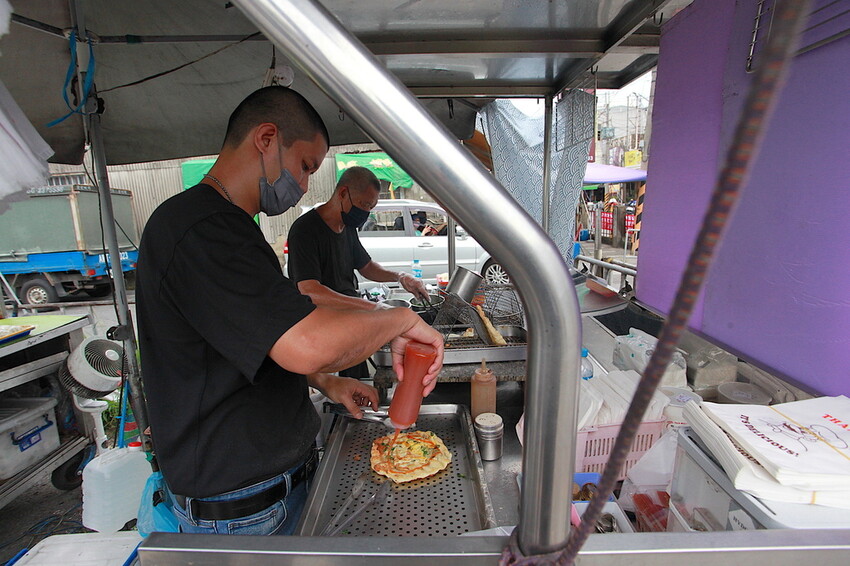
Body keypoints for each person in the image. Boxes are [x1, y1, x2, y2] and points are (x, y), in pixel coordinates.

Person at [136, 87, 443, 536]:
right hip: (243, 509)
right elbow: (304, 344)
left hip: (268, 491)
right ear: (266, 138)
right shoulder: (203, 229)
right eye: (304, 167)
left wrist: (326, 382)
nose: (302, 188)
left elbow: (251, 338)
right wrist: (398, 318)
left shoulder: (228, 226)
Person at [287, 166, 430, 379]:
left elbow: (366, 266)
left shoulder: (348, 227)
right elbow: (310, 291)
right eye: (363, 205)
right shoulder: (305, 230)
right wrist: (372, 307)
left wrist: (400, 277)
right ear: (343, 193)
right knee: (336, 382)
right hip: (320, 322)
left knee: (359, 378)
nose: (365, 213)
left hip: (350, 316)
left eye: (370, 207)